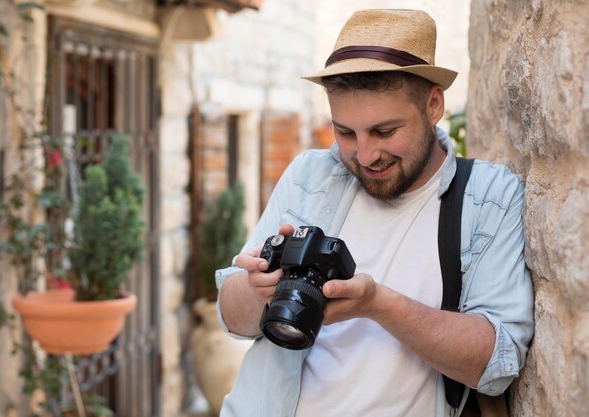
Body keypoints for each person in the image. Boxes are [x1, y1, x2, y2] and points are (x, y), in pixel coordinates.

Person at [215, 9, 534, 417]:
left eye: (385, 131)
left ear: (434, 104)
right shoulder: (309, 175)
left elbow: (496, 365)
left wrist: (378, 304)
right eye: (345, 132)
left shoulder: (490, 196)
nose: (365, 155)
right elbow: (231, 316)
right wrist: (257, 288)